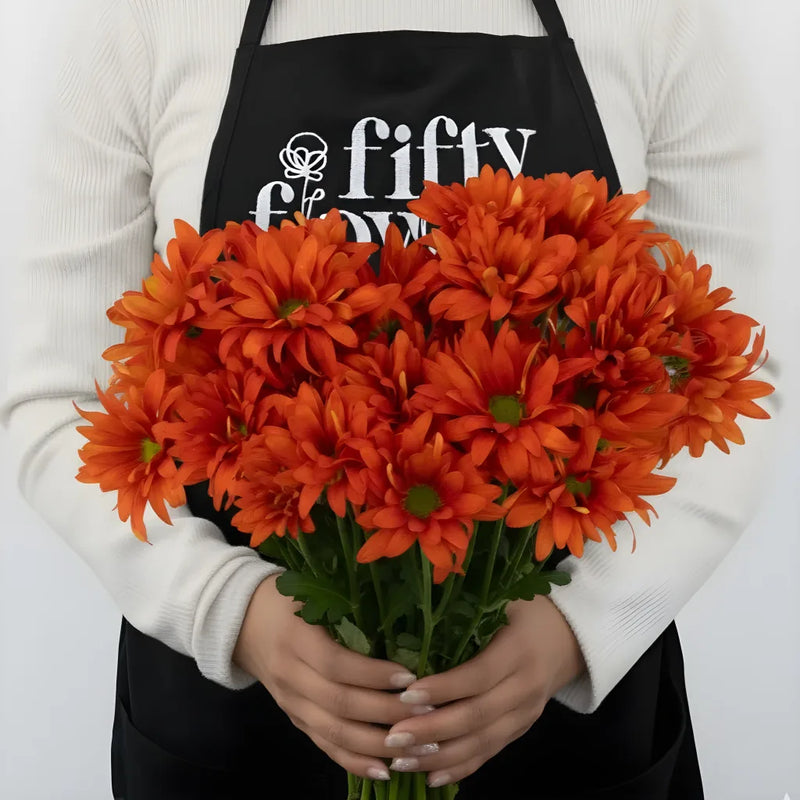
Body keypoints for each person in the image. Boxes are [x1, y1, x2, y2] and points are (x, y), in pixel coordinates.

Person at [0, 0, 778, 798]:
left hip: (565, 716)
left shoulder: (656, 16)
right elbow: (54, 400)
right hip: (234, 716)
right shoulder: (141, 20)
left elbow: (733, 371)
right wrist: (228, 612)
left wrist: (580, 629)